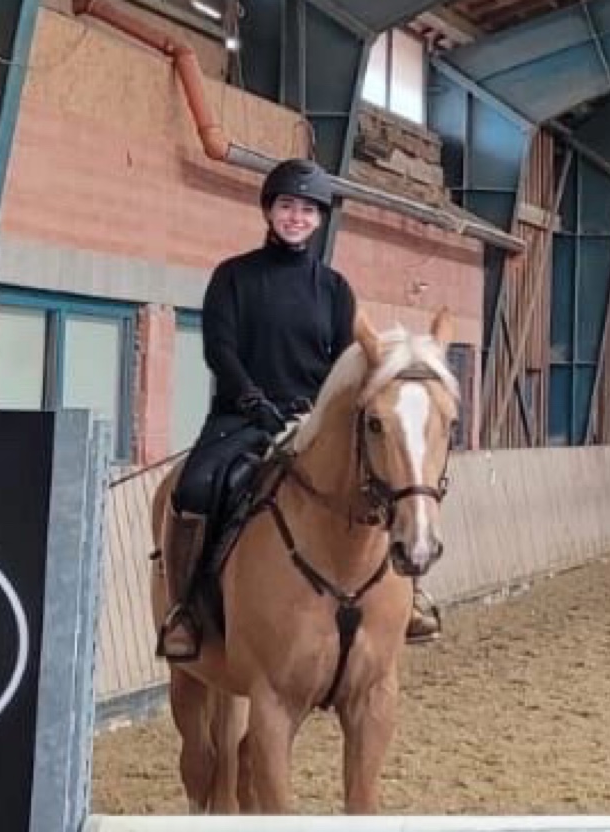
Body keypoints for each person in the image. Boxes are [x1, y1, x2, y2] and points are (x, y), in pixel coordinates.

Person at [157, 157, 439, 661]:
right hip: (241, 418)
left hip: (312, 419)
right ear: (269, 211)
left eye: (307, 209)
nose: (296, 217)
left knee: (388, 479)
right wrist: (253, 402)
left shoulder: (334, 290)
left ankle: (409, 594)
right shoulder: (233, 277)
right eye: (287, 206)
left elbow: (346, 363)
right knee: (195, 487)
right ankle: (183, 610)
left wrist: (319, 412)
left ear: (319, 219)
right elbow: (220, 350)